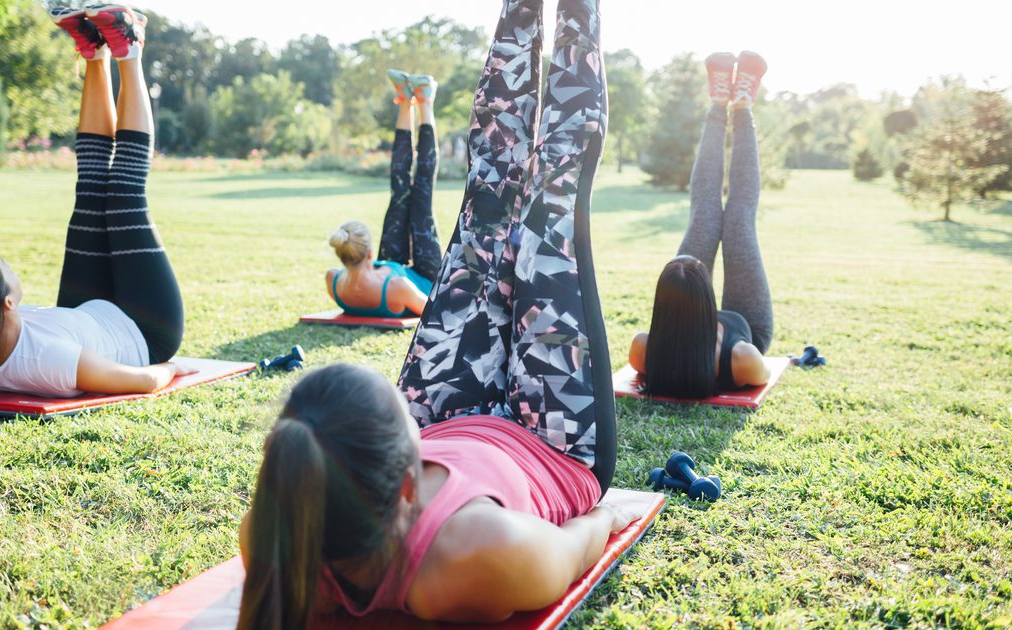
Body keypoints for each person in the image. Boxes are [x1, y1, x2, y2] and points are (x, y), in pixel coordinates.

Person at [237, 1, 646, 627]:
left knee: (488, 197)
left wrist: (426, 429)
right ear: (406, 487)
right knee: (550, 201)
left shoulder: (280, 528)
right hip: (551, 444)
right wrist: (611, 516)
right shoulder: (474, 557)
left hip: (451, 416)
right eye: (403, 422)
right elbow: (577, 544)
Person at [0, 4, 189, 398]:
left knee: (90, 188)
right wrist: (173, 367)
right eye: (3, 267)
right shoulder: (47, 360)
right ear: (7, 303)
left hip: (84, 315)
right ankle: (130, 47)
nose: (9, 265)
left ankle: (94, 53)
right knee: (122, 192)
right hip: (145, 328)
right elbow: (144, 381)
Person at [628, 51, 775, 398]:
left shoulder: (643, 347)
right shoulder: (743, 357)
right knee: (739, 217)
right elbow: (767, 373)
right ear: (708, 297)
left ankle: (719, 101)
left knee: (705, 213)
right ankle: (742, 106)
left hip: (694, 334)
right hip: (746, 325)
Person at [325, 70, 442, 317]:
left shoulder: (334, 280)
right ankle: (425, 102)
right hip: (423, 277)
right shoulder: (396, 287)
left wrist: (388, 268)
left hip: (389, 271)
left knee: (399, 192)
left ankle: (404, 100)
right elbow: (432, 310)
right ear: (368, 253)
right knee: (421, 195)